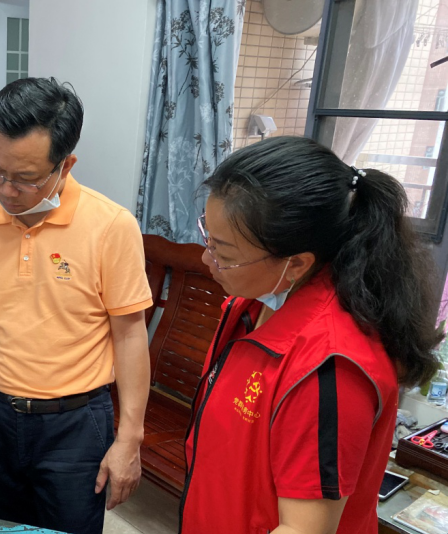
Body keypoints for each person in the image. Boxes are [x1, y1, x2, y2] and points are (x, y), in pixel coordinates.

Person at [184, 136, 442, 534]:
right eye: (209, 239)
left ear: (297, 264)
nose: (207, 259)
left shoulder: (329, 369)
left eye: (225, 254)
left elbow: (303, 528)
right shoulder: (253, 302)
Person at [0, 78, 152, 534]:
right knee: (3, 527)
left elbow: (130, 335)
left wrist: (129, 439)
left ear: (66, 165)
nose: (6, 189)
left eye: (26, 178)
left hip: (74, 425)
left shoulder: (111, 227)